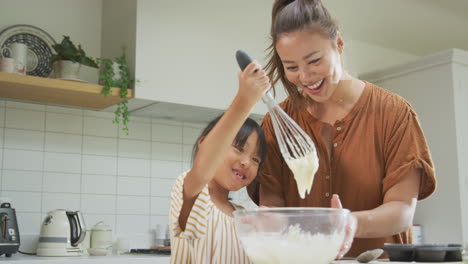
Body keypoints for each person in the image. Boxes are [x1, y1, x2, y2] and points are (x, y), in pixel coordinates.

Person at [250, 0, 437, 258]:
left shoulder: (394, 114)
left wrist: (348, 223)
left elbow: (401, 211)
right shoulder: (276, 123)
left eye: (314, 61)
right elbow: (272, 207)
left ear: (338, 44)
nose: (304, 77)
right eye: (291, 67)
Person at [169, 60, 269, 263]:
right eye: (239, 148)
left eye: (255, 158)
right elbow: (204, 166)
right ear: (205, 144)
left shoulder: (247, 217)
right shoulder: (192, 196)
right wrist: (245, 100)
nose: (246, 162)